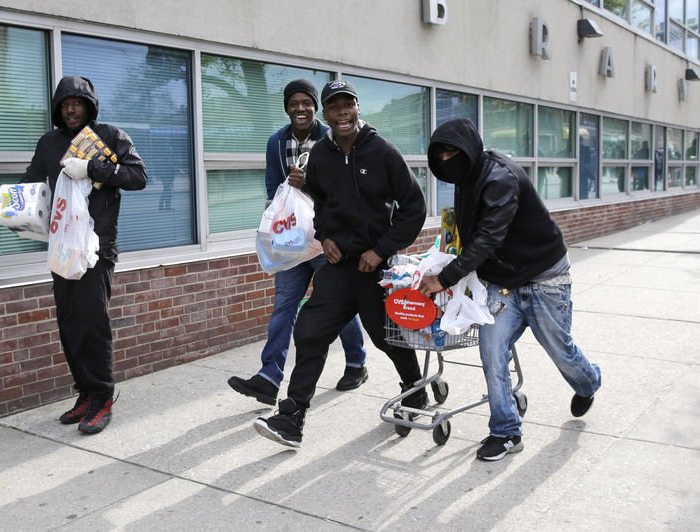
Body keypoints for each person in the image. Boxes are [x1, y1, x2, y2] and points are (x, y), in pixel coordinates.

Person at [253, 79, 427, 448]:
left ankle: (414, 389)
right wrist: (326, 237)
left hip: (374, 269)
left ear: (358, 108)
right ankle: (291, 417)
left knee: (385, 338)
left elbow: (414, 207)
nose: (342, 112)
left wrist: (381, 250)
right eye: (335, 107)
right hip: (337, 266)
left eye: (347, 105)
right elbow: (318, 201)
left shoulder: (382, 152)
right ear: (327, 114)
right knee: (310, 331)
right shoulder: (322, 156)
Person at [419, 118, 602, 461]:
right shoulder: (465, 176)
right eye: (440, 154)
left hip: (543, 275)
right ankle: (505, 431)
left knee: (558, 349)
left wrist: (445, 278)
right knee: (492, 351)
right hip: (503, 283)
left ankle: (588, 381)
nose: (446, 159)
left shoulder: (500, 178)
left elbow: (489, 237)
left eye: (452, 152)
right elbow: (472, 233)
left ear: (470, 148)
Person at [228, 79, 368, 406]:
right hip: (292, 238)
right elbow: (272, 185)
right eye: (294, 103)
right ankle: (269, 376)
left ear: (316, 107)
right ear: (287, 107)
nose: (300, 108)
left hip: (326, 239)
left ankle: (356, 362)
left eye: (307, 102)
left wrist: (309, 185)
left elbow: (344, 187)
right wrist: (277, 214)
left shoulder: (332, 137)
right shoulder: (276, 142)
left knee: (339, 304)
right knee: (284, 304)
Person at [21, 76, 148, 434]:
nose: (71, 109)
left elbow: (138, 176)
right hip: (62, 246)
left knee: (93, 323)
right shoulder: (49, 144)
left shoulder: (109, 137)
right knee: (69, 323)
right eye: (65, 104)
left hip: (96, 247)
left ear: (90, 106)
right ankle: (85, 393)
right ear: (58, 109)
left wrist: (93, 168)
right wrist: (14, 207)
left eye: (77, 103)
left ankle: (103, 397)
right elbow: (31, 183)